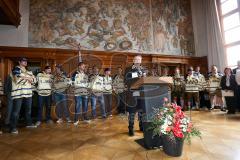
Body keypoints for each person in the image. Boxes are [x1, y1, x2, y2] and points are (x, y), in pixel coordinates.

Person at [10, 57, 37, 134]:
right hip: (18, 93)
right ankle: (13, 128)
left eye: (26, 61)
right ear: (19, 62)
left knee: (28, 110)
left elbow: (34, 81)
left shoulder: (29, 71)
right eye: (23, 61)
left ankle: (29, 123)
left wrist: (26, 78)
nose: (25, 62)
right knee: (16, 111)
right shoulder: (16, 69)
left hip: (28, 92)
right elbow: (17, 80)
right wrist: (28, 78)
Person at [124, 55, 145, 136]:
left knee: (141, 110)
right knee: (132, 111)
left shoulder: (143, 69)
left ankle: (141, 126)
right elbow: (126, 80)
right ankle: (131, 128)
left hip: (141, 93)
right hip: (133, 93)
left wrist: (144, 76)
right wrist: (136, 75)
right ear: (133, 60)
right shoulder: (128, 69)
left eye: (140, 60)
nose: (138, 61)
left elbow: (145, 80)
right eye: (137, 60)